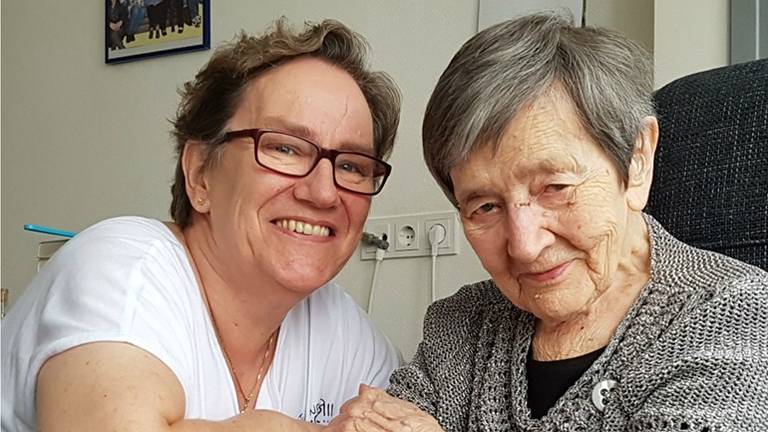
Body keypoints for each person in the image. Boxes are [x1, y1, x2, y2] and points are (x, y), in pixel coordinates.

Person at [335, 13, 768, 431]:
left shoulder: (736, 314)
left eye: (555, 187)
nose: (524, 246)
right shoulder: (461, 326)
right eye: (485, 206)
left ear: (636, 160)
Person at [1, 19, 402, 431]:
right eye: (283, 148)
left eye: (352, 166)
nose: (323, 193)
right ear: (199, 175)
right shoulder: (122, 270)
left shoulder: (340, 327)